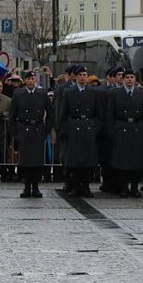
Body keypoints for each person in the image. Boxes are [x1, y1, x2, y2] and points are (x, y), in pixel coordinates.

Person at [58, 66, 103, 197]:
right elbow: (63, 113)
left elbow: (98, 114)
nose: (83, 77)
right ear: (76, 77)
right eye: (80, 75)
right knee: (75, 161)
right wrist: (65, 129)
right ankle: (76, 186)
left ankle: (86, 186)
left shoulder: (93, 92)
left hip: (89, 128)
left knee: (88, 161)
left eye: (85, 74)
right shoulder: (69, 92)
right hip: (74, 129)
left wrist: (95, 128)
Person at [9, 71, 53, 197]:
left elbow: (50, 113)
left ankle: (36, 186)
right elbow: (12, 115)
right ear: (25, 81)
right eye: (28, 79)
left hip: (38, 129)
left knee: (37, 161)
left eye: (32, 78)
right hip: (24, 129)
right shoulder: (18, 94)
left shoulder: (42, 94)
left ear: (36, 80)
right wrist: (15, 133)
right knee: (25, 162)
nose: (30, 81)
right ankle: (27, 187)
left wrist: (46, 130)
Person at [106, 69, 143, 198]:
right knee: (122, 162)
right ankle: (124, 188)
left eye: (132, 77)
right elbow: (110, 114)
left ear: (135, 80)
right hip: (121, 129)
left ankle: (135, 187)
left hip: (137, 129)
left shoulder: (142, 93)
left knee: (136, 162)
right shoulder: (115, 93)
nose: (130, 79)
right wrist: (111, 131)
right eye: (127, 77)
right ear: (123, 79)